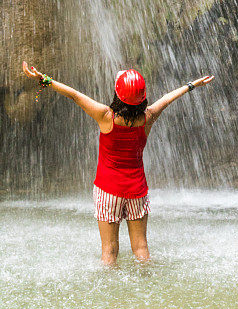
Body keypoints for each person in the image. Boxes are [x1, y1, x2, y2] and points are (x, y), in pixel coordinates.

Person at [22, 61, 214, 265]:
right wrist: (191, 85)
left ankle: (110, 294)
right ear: (142, 97)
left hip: (108, 191)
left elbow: (75, 95)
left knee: (109, 251)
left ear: (118, 95)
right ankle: (147, 287)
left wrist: (44, 79)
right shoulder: (147, 117)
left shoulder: (105, 116)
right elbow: (167, 99)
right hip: (137, 191)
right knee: (141, 248)